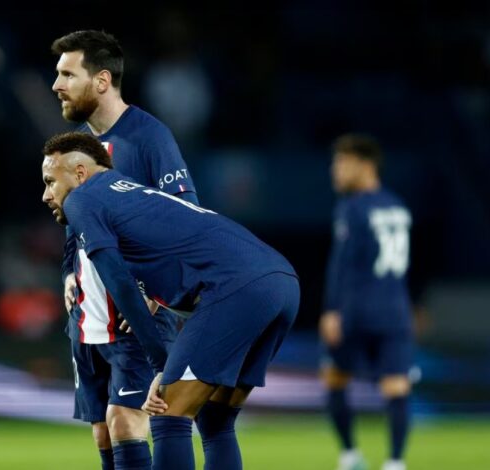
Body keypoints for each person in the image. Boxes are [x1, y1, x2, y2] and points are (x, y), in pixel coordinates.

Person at [41, 132, 300, 470]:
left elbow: (118, 281)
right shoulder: (131, 192)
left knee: (167, 412)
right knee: (215, 421)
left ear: (79, 173)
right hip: (282, 281)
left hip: (235, 289)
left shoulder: (82, 199)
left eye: (50, 181)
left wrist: (160, 365)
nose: (47, 195)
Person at [50, 30, 198, 470]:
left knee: (125, 421)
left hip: (137, 314)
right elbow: (73, 221)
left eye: (67, 74)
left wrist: (158, 292)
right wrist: (68, 273)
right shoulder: (78, 147)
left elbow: (185, 219)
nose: (56, 85)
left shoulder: (149, 137)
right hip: (88, 313)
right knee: (102, 429)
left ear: (101, 80)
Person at [320, 134, 414, 470]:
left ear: (365, 165)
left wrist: (332, 309)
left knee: (335, 378)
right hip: (396, 308)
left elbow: (342, 264)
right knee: (397, 385)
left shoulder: (353, 207)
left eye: (342, 163)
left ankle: (349, 455)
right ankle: (395, 462)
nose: (335, 170)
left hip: (357, 308)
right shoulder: (398, 205)